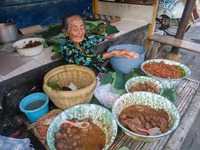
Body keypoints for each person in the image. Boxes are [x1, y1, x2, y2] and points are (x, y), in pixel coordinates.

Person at [60, 13, 139, 73]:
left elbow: (92, 40)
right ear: (66, 32)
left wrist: (104, 37)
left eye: (82, 28)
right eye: (75, 30)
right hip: (84, 80)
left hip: (98, 72)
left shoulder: (83, 41)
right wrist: (113, 53)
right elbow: (84, 60)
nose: (80, 33)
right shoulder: (65, 48)